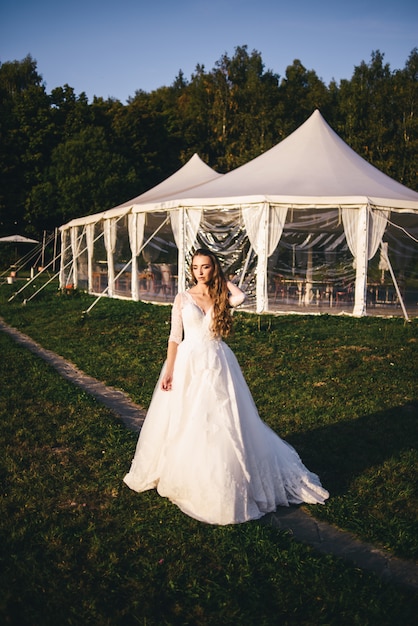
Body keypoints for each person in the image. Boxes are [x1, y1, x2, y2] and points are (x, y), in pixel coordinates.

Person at [123, 248, 329, 525]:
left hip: (217, 361)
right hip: (188, 362)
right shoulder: (183, 297)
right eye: (196, 267)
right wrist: (170, 369)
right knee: (185, 416)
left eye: (206, 267)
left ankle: (224, 468)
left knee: (220, 415)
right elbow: (174, 337)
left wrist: (223, 279)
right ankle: (185, 469)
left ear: (214, 268)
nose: (200, 272)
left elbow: (241, 297)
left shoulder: (221, 297)